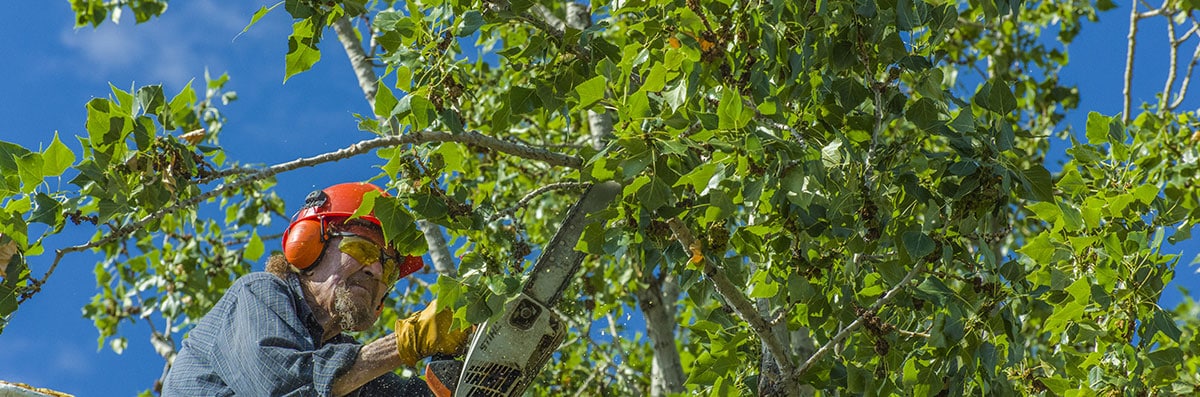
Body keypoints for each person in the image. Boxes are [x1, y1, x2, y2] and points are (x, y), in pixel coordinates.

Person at [162, 182, 472, 396]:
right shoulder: (258, 293)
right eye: (362, 250)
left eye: (388, 268)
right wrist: (407, 341)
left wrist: (462, 354)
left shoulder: (344, 363)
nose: (376, 269)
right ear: (310, 245)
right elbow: (285, 386)